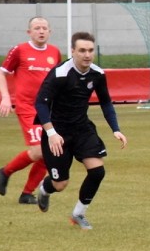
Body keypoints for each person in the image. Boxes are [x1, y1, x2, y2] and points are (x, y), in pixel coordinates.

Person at [34, 32, 128, 230]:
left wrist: (115, 129)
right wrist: (51, 133)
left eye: (91, 50)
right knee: (60, 184)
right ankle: (44, 189)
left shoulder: (97, 74)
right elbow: (41, 104)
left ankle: (78, 213)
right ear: (73, 51)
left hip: (82, 129)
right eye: (82, 50)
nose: (87, 55)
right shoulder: (60, 74)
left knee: (97, 171)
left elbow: (106, 102)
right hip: (57, 132)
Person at [0, 17, 63, 205]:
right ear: (29, 32)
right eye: (37, 28)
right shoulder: (20, 50)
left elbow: (57, 80)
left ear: (50, 31)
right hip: (27, 108)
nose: (41, 31)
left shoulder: (54, 52)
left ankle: (26, 194)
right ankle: (5, 171)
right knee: (40, 150)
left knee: (48, 151)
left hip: (48, 109)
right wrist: (6, 97)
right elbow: (1, 74)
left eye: (44, 28)